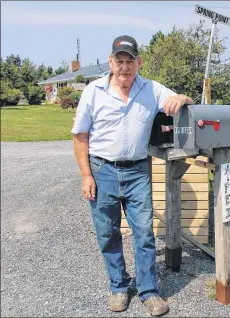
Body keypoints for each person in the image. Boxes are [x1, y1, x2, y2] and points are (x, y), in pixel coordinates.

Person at [71, 35, 193, 316]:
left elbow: (183, 99)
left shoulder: (152, 89)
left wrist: (179, 98)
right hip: (103, 171)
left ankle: (149, 291)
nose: (125, 67)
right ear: (111, 62)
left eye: (130, 61)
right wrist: (86, 176)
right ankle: (119, 287)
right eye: (119, 61)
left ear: (139, 62)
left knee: (143, 233)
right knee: (108, 233)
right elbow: (80, 137)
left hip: (138, 171)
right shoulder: (93, 91)